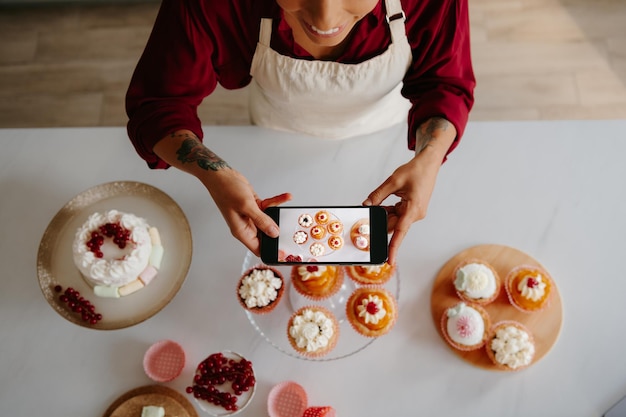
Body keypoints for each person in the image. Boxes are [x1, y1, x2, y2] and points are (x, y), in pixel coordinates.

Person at [126, 0, 475, 266]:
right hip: (274, 133)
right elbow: (158, 105)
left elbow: (443, 83)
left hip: (384, 139)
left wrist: (429, 158)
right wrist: (213, 173)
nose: (325, 19)